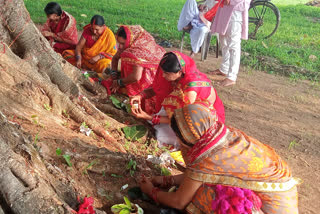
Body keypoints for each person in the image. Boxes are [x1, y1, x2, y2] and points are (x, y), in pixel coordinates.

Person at [139, 104, 300, 214]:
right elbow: (197, 176)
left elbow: (179, 201)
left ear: (187, 138)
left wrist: (152, 192)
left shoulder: (207, 156)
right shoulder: (218, 134)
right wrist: (165, 180)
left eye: (178, 138)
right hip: (285, 198)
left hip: (270, 207)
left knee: (203, 194)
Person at [131, 51, 225, 149]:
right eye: (162, 72)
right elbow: (158, 88)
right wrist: (140, 95)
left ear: (179, 72)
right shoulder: (180, 74)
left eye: (166, 73)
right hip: (184, 112)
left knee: (163, 136)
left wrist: (150, 118)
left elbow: (182, 121)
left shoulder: (190, 92)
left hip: (199, 121)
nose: (163, 76)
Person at [108, 25, 166, 114]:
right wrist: (114, 76)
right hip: (151, 77)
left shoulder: (138, 51)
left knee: (128, 56)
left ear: (130, 40)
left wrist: (118, 82)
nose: (119, 46)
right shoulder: (130, 44)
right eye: (119, 43)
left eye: (122, 43)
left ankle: (138, 96)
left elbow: (136, 77)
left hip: (151, 82)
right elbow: (115, 59)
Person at [210, 0, 251, 87]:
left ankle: (232, 77)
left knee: (233, 45)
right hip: (224, 11)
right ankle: (224, 69)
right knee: (223, 41)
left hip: (235, 13)